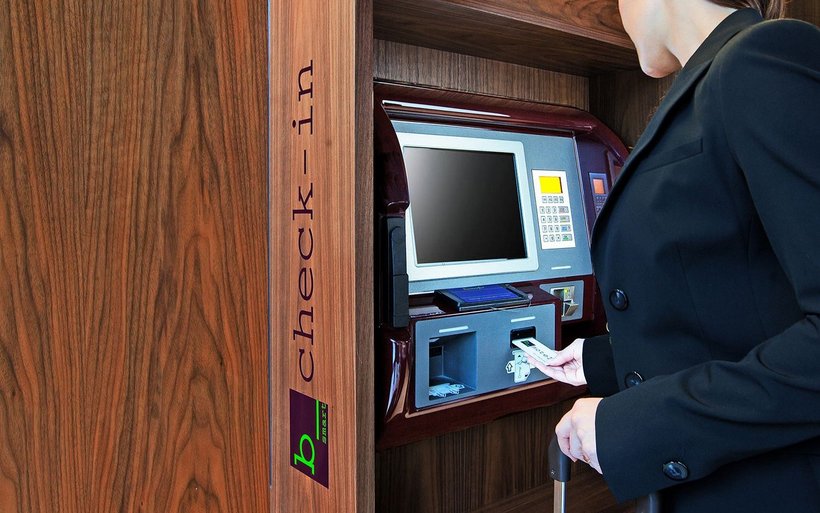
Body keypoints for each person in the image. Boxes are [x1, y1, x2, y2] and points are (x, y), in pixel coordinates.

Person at [528, 1, 820, 511]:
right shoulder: (709, 84)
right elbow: (746, 296)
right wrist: (607, 359)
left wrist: (636, 424)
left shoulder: (761, 57)